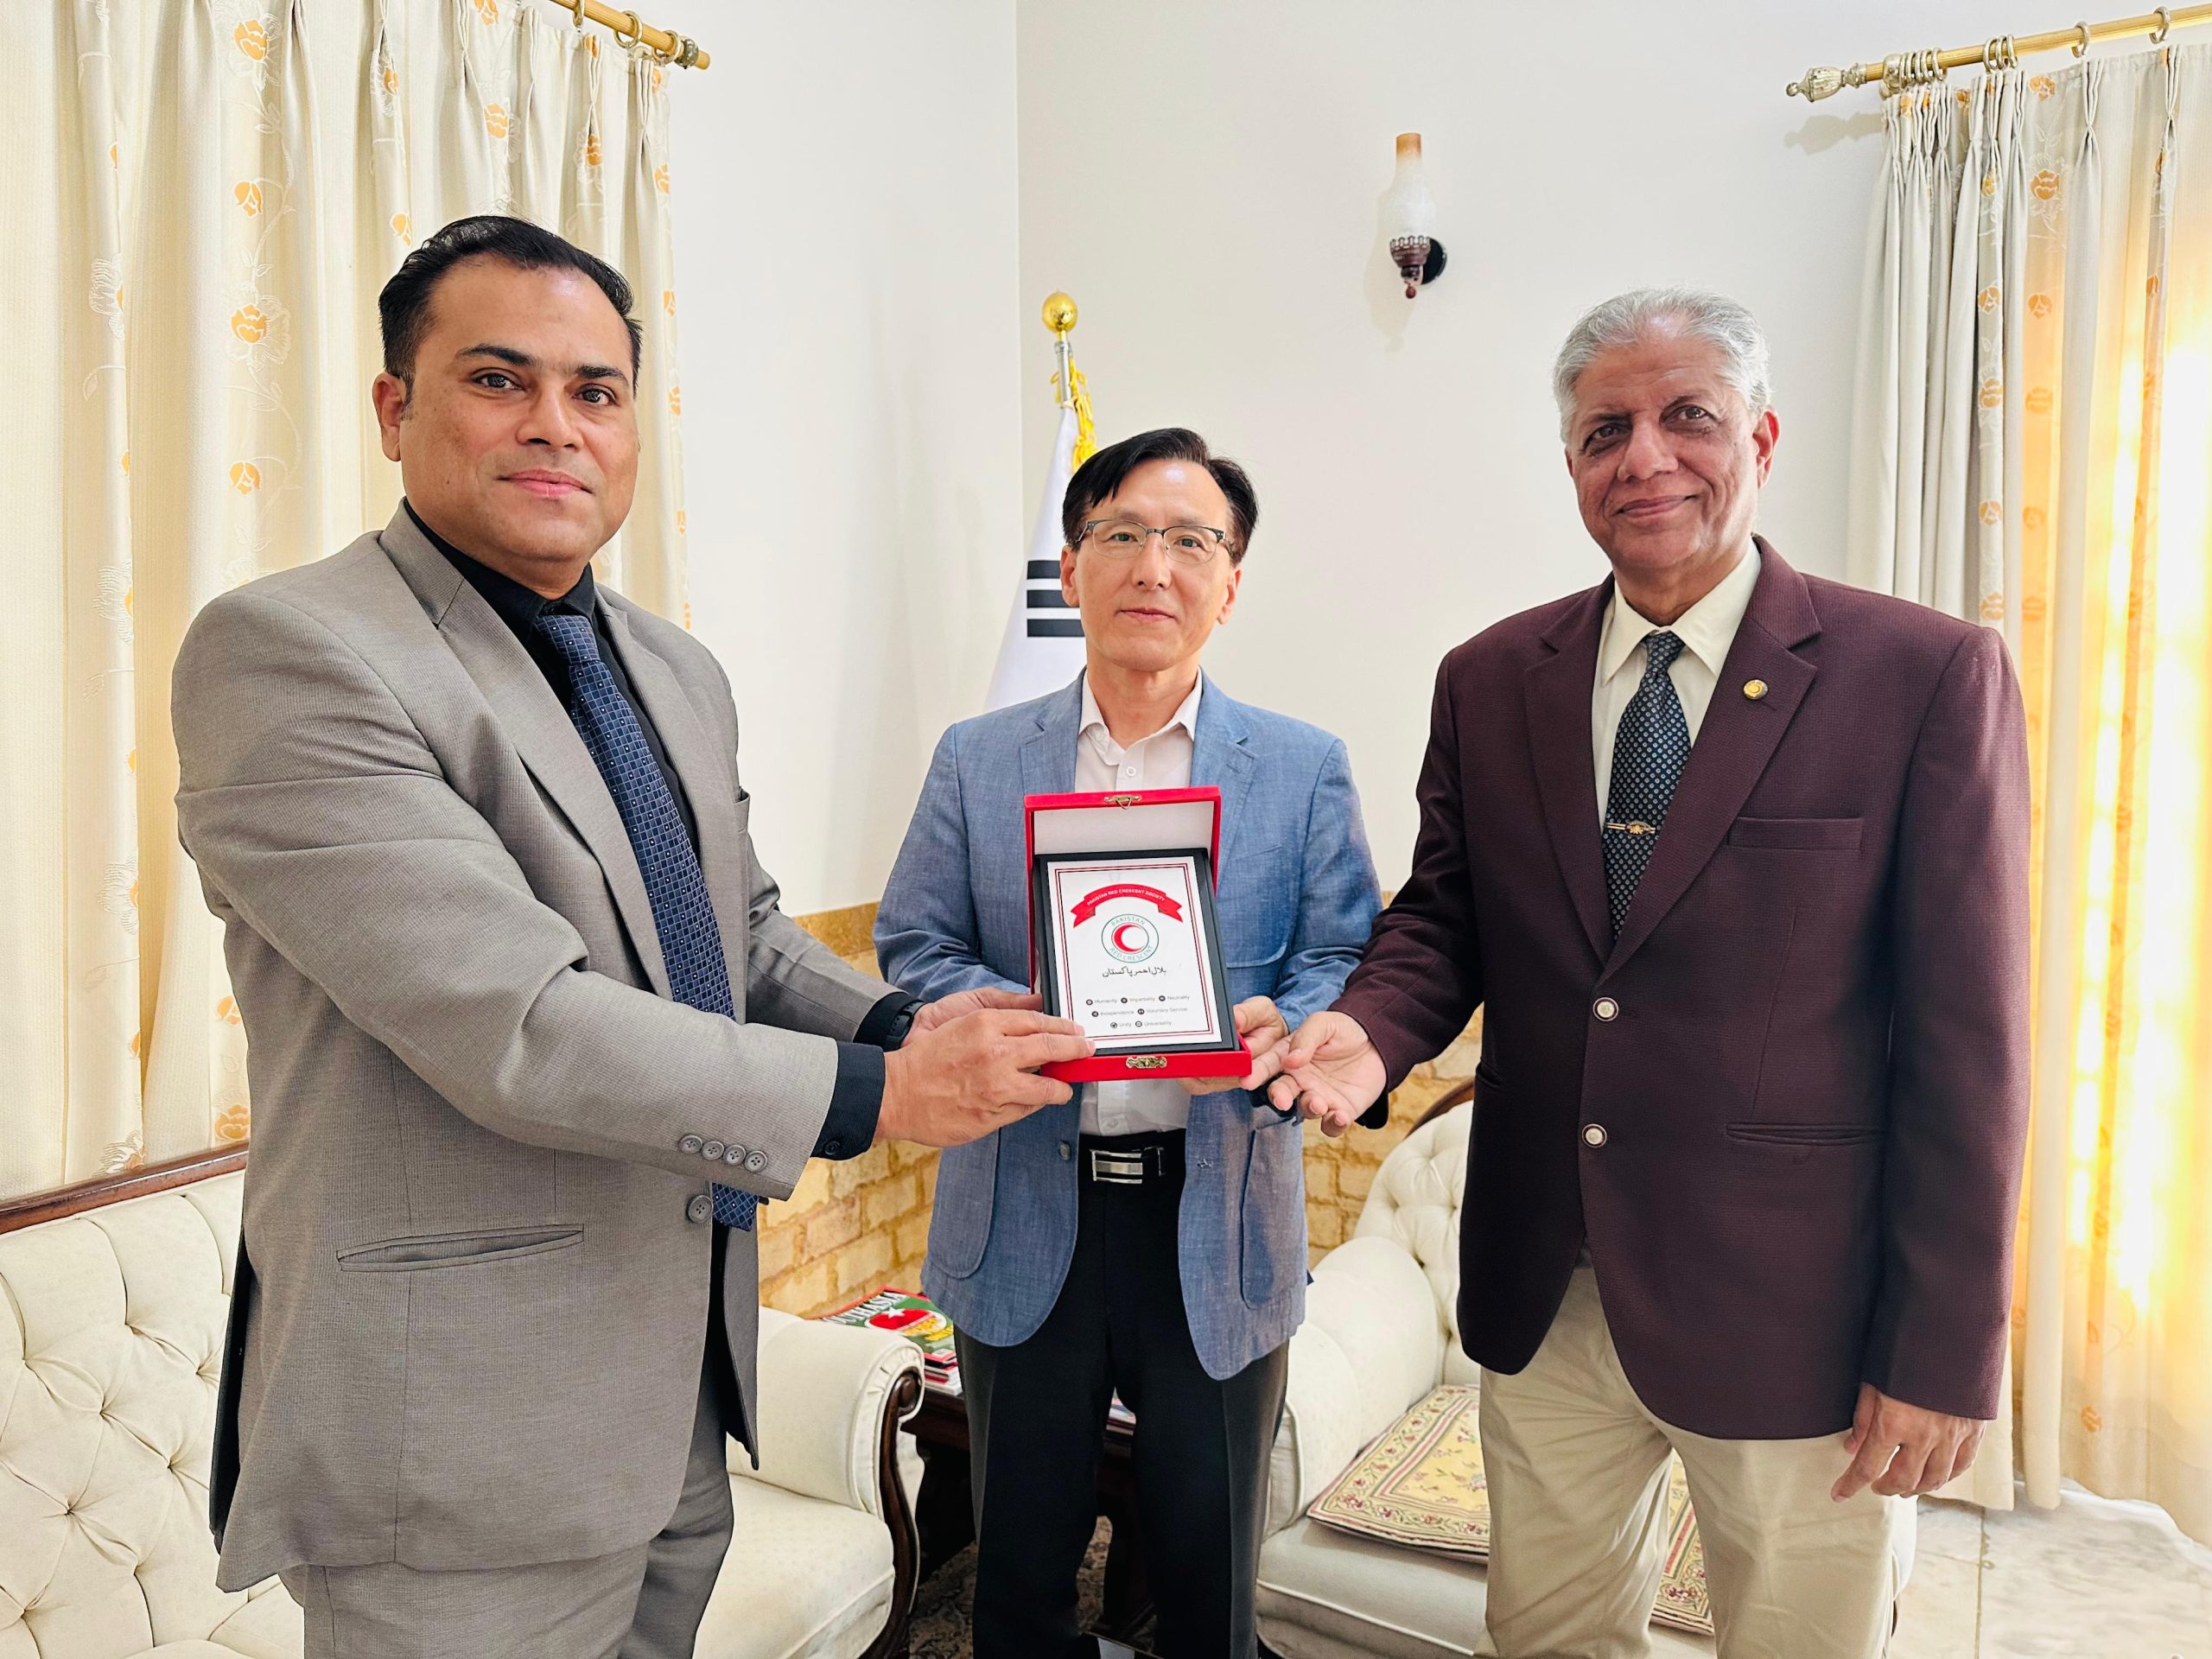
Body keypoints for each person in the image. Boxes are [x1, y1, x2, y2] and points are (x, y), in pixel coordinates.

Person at [170, 214, 1089, 1659]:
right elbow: (518, 1023)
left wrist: (909, 1026)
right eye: (498, 380)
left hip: (674, 1388)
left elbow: (746, 934)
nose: (556, 426)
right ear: (395, 409)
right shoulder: (293, 653)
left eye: (596, 391)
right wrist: (881, 1097)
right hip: (460, 1446)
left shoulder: (669, 663)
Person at [1274, 289, 2031, 1658]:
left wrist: (1940, 1350)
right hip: (1543, 1291)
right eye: (1604, 430)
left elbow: (1972, 1045)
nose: (1646, 458)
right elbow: (1443, 919)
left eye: (1689, 418)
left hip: (1797, 1313)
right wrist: (1369, 1036)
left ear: (1763, 435)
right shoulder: (1491, 677)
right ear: (1570, 464)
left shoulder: (1921, 675)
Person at [874, 427, 1381, 1658]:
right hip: (1026, 1210)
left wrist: (1292, 1020)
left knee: (1210, 1588)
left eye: (1192, 540)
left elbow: (1342, 952)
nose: (1157, 564)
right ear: (1073, 564)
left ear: (1231, 580)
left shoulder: (1304, 766)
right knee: (1023, 1575)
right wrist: (1014, 1014)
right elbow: (914, 943)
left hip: (1217, 1216)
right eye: (1124, 534)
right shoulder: (978, 758)